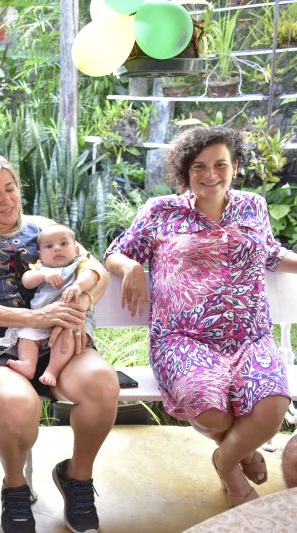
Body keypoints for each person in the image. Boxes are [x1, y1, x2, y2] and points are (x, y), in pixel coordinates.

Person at [104, 126, 297, 508]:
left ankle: (225, 462)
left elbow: (270, 253)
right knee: (210, 412)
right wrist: (131, 268)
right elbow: (116, 252)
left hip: (249, 337)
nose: (211, 175)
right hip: (182, 339)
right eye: (199, 166)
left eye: (220, 164)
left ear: (235, 166)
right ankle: (241, 455)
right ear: (185, 171)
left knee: (272, 406)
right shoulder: (161, 211)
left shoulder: (253, 206)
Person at [0, 151, 119, 533]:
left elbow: (94, 267)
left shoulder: (42, 228)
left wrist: (82, 300)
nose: (7, 200)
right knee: (18, 405)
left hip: (54, 340)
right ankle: (15, 487)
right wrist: (35, 318)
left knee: (102, 383)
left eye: (10, 188)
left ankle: (77, 477)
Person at [0, 223, 98, 387]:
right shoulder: (40, 268)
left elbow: (92, 276)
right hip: (40, 318)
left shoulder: (79, 264)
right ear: (40, 255)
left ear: (77, 250)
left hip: (69, 319)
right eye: (49, 246)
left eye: (64, 243)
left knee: (66, 336)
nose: (57, 248)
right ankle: (28, 363)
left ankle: (52, 370)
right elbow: (26, 281)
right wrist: (43, 276)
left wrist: (78, 286)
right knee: (26, 334)